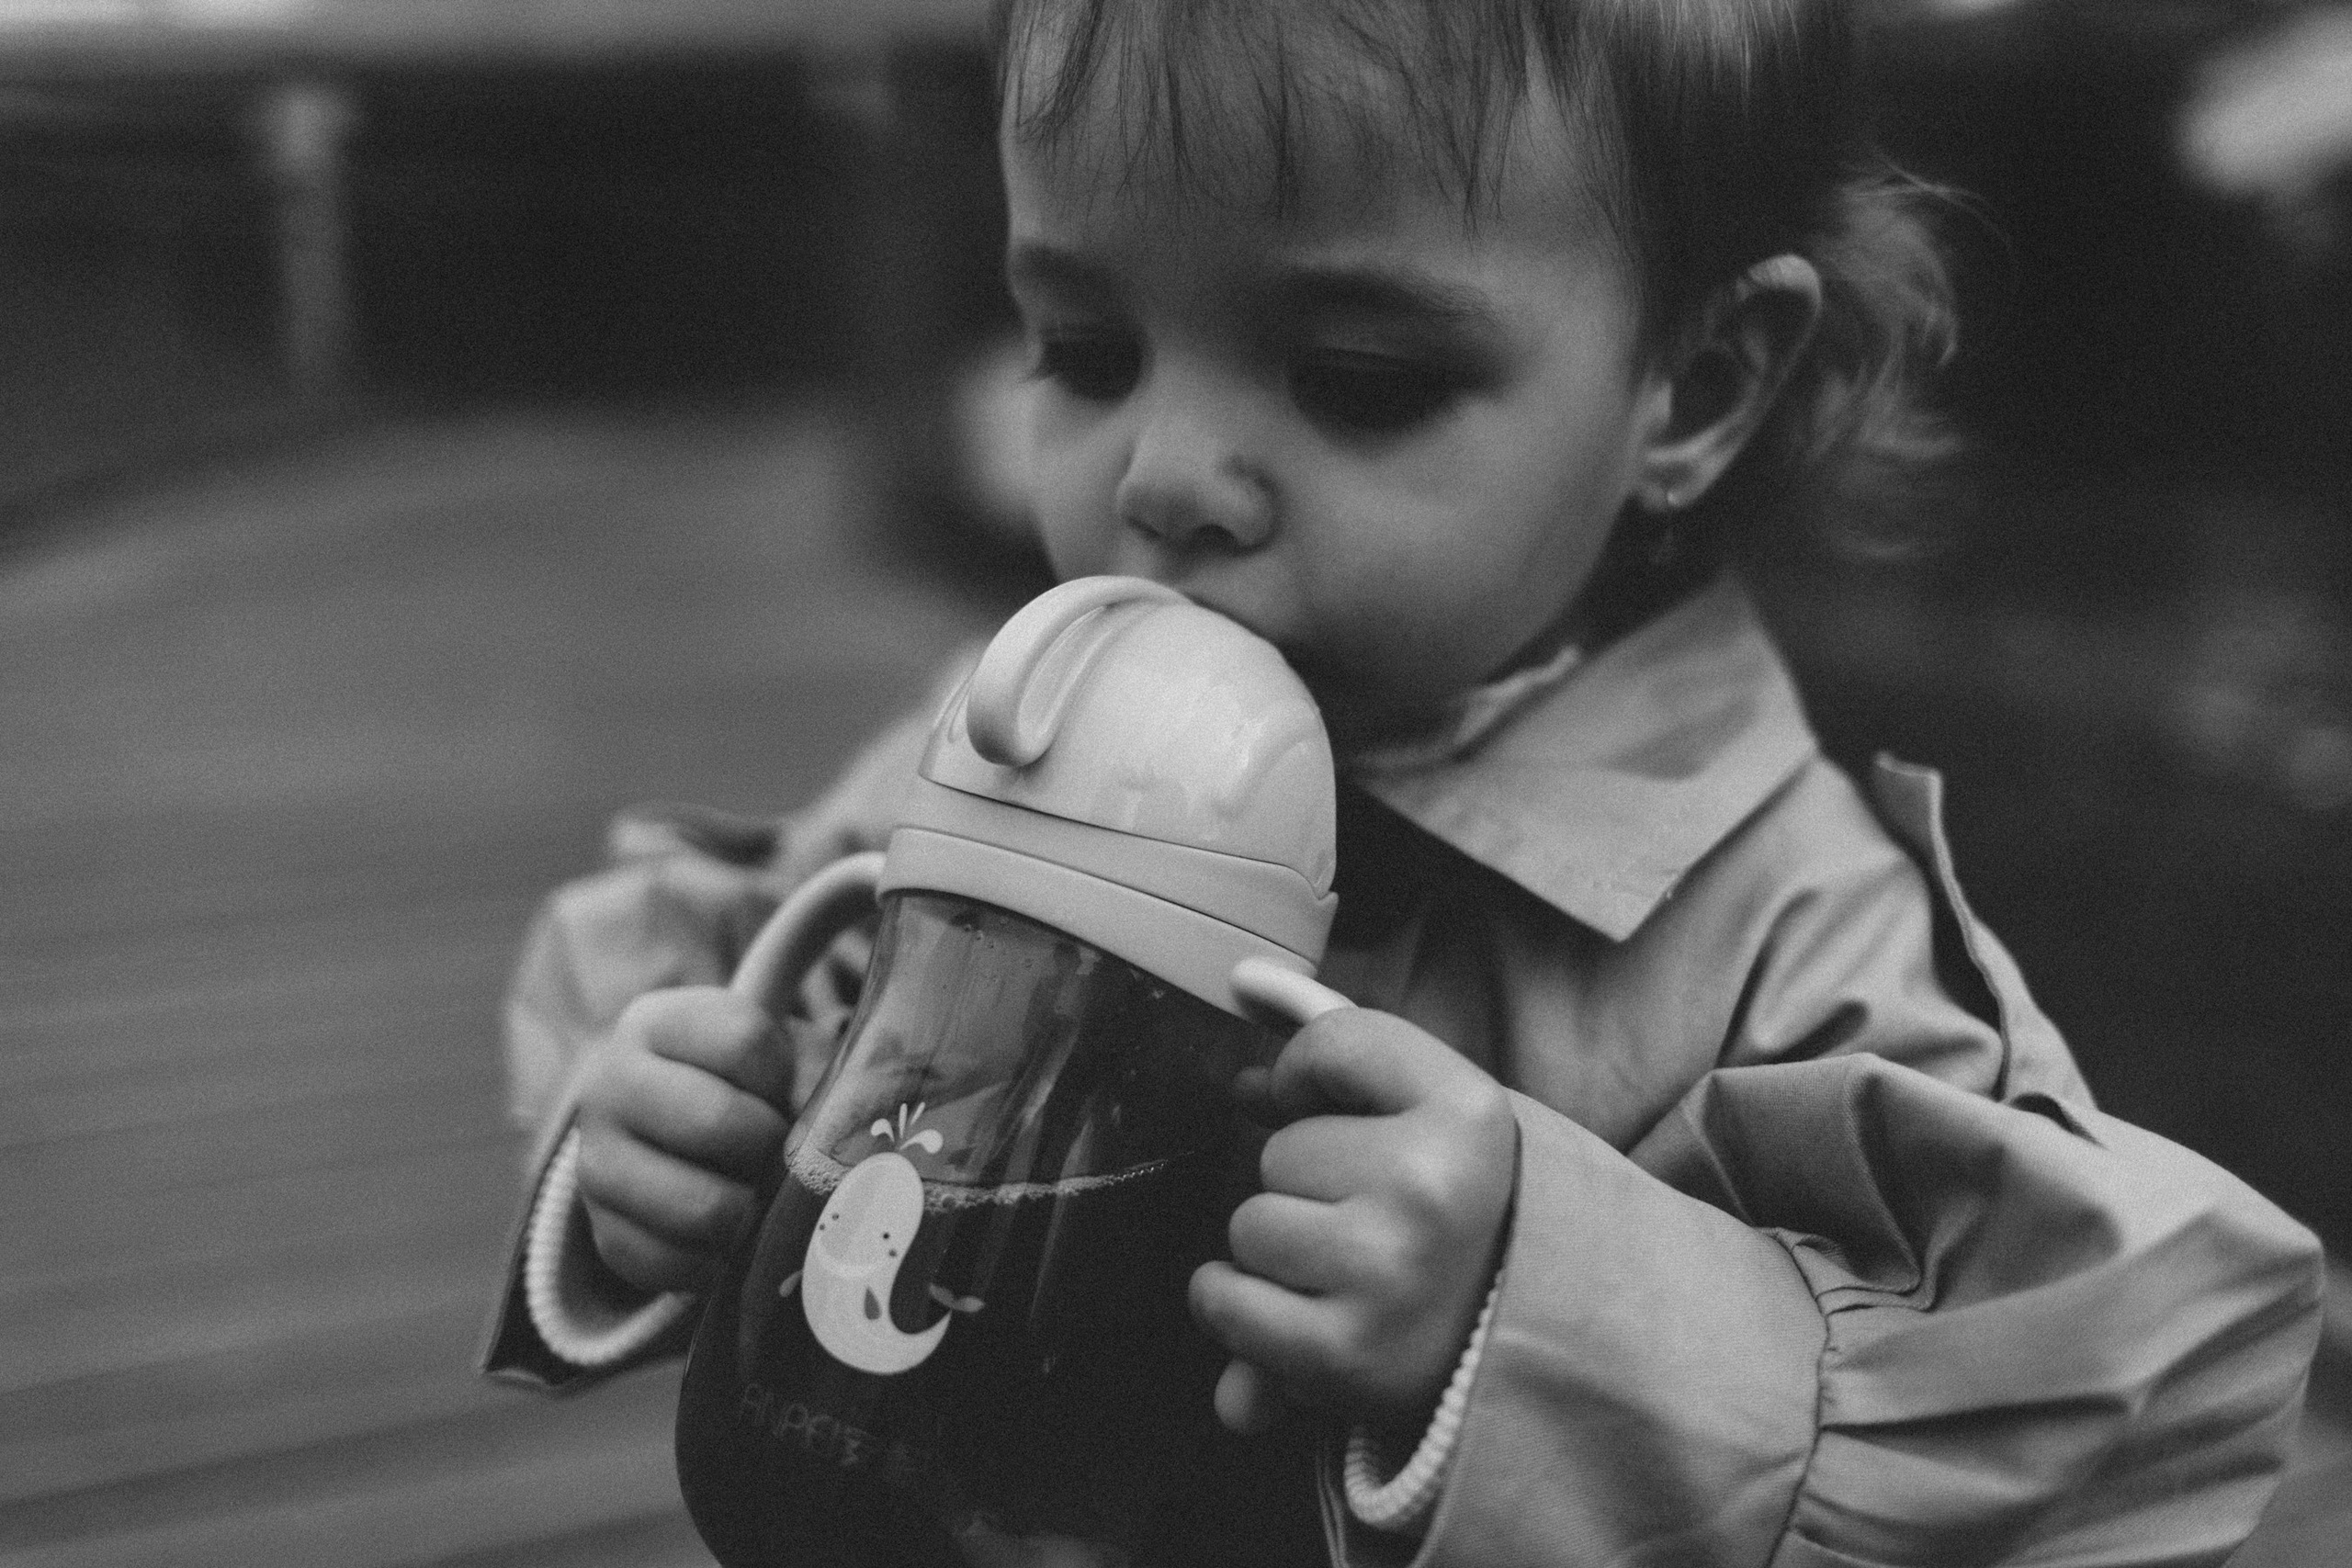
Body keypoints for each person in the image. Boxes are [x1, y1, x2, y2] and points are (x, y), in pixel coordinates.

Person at [481, 2, 2327, 1563]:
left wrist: (1532, 1311)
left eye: (1355, 374)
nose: (1165, 473)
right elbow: (746, 966)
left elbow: (2110, 1414)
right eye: (1085, 349)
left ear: (1691, 386)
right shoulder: (1013, 746)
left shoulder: (1783, 938)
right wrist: (644, 1143)